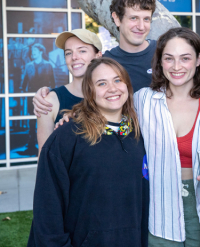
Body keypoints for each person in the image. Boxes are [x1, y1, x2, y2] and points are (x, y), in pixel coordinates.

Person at [27, 58, 149, 247]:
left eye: (118, 80)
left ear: (127, 85)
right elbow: (47, 207)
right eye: (101, 83)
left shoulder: (139, 135)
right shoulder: (67, 137)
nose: (112, 88)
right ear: (89, 92)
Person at [134, 27, 200, 246]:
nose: (176, 67)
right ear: (160, 62)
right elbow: (115, 127)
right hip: (159, 208)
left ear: (199, 59)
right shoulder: (142, 101)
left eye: (185, 58)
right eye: (169, 59)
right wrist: (69, 117)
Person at [32, 0, 157, 116]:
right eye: (134, 18)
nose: (141, 26)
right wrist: (46, 94)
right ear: (117, 19)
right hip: (124, 134)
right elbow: (78, 89)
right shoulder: (105, 63)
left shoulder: (164, 54)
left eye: (146, 19)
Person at [36, 29, 102, 155]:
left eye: (82, 51)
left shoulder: (112, 97)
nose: (74, 57)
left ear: (98, 56)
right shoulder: (50, 101)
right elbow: (44, 156)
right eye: (68, 53)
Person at [18, 43, 56, 156]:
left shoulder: (48, 65)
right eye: (32, 51)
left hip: (45, 98)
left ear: (40, 52)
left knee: (46, 120)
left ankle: (48, 144)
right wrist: (22, 92)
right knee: (31, 121)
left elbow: (53, 83)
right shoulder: (28, 65)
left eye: (35, 51)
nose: (32, 53)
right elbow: (24, 83)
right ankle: (31, 144)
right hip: (32, 98)